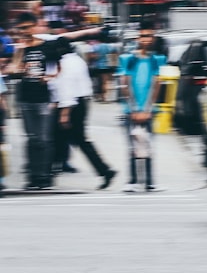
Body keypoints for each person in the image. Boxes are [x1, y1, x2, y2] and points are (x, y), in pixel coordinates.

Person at [50, 38, 117, 190]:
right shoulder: (77, 60)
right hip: (82, 102)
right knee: (66, 139)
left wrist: (64, 113)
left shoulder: (66, 64)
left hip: (71, 105)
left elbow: (67, 88)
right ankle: (103, 170)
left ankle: (104, 170)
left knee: (70, 139)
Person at [6, 13, 59, 190]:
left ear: (35, 26)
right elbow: (13, 70)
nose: (25, 31)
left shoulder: (48, 47)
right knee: (31, 139)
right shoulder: (20, 48)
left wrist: (49, 78)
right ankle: (33, 177)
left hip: (44, 98)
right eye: (21, 28)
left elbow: (56, 70)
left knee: (43, 139)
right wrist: (20, 51)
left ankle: (45, 177)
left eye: (27, 27)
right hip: (25, 99)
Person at [117, 21, 167, 192]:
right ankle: (132, 181)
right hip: (130, 111)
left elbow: (156, 85)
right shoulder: (128, 59)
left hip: (148, 111)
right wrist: (134, 109)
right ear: (138, 37)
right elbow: (125, 85)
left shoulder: (156, 60)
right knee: (133, 147)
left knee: (148, 146)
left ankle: (149, 182)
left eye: (149, 36)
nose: (146, 39)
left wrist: (146, 110)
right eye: (143, 36)